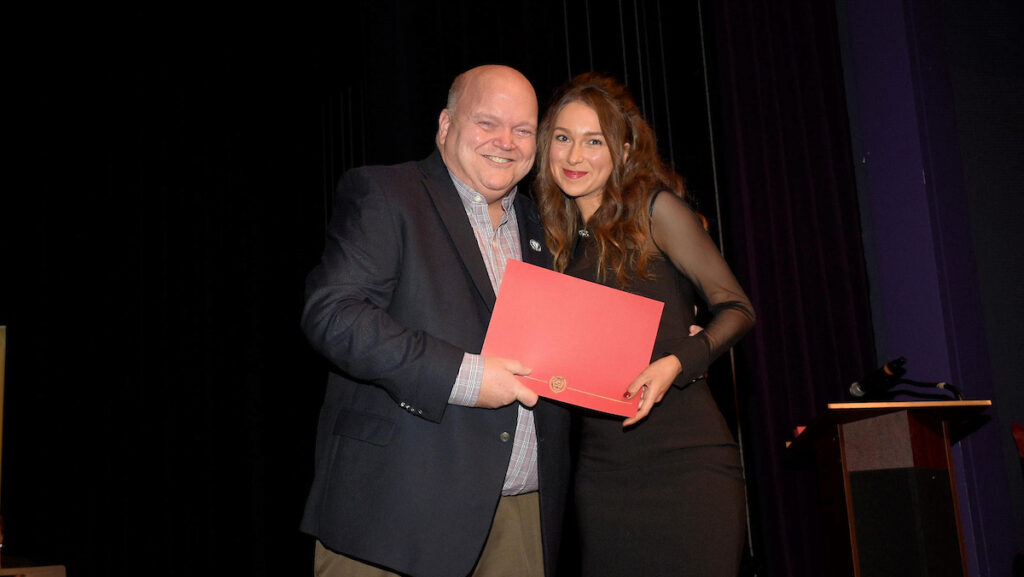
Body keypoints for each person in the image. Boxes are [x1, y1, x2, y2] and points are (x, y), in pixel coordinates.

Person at [300, 65, 570, 577]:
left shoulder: (542, 224)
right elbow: (332, 315)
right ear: (446, 125)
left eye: (522, 130)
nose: (506, 142)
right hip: (398, 516)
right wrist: (465, 377)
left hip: (519, 521)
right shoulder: (386, 193)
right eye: (487, 122)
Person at [534, 72, 756, 577]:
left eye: (594, 141)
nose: (574, 157)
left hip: (688, 463)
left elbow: (738, 309)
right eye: (563, 139)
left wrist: (675, 363)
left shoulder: (656, 212)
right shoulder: (554, 245)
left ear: (625, 148)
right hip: (603, 474)